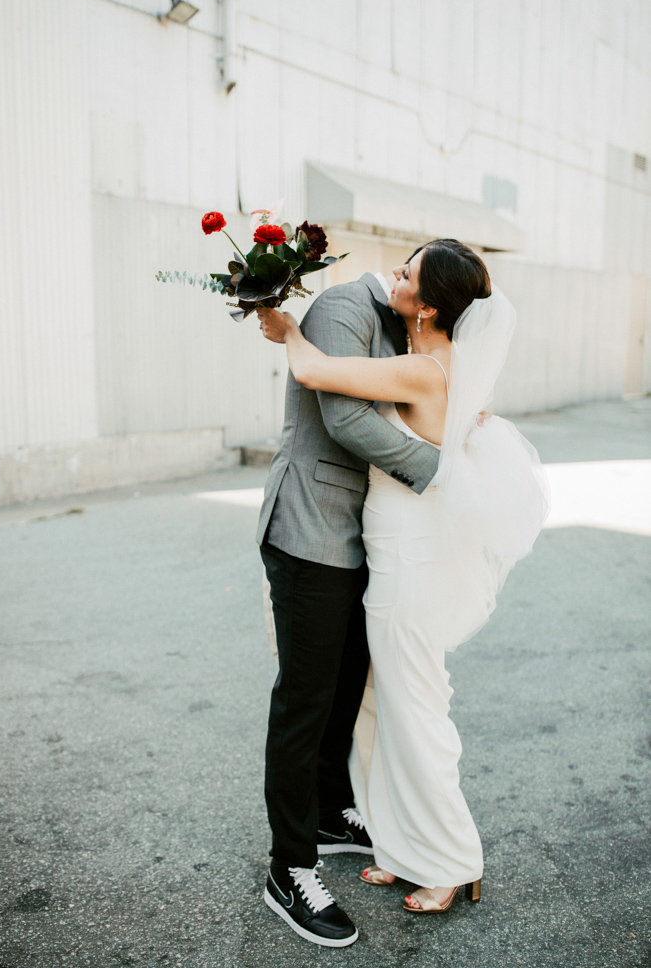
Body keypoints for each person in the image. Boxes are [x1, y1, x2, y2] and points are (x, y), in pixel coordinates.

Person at [259, 239, 547, 922]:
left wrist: (285, 328)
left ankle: (450, 863)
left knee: (413, 712)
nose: (394, 276)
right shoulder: (444, 366)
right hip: (394, 553)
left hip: (405, 568)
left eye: (407, 275)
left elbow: (316, 372)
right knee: (384, 709)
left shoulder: (422, 369)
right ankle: (409, 846)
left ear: (429, 305)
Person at [256, 260, 446, 947]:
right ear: (408, 284)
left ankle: (331, 814)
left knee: (344, 687)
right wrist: (441, 468)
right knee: (305, 697)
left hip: (360, 531)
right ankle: (288, 868)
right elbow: (345, 420)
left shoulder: (394, 325)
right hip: (311, 527)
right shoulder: (343, 307)